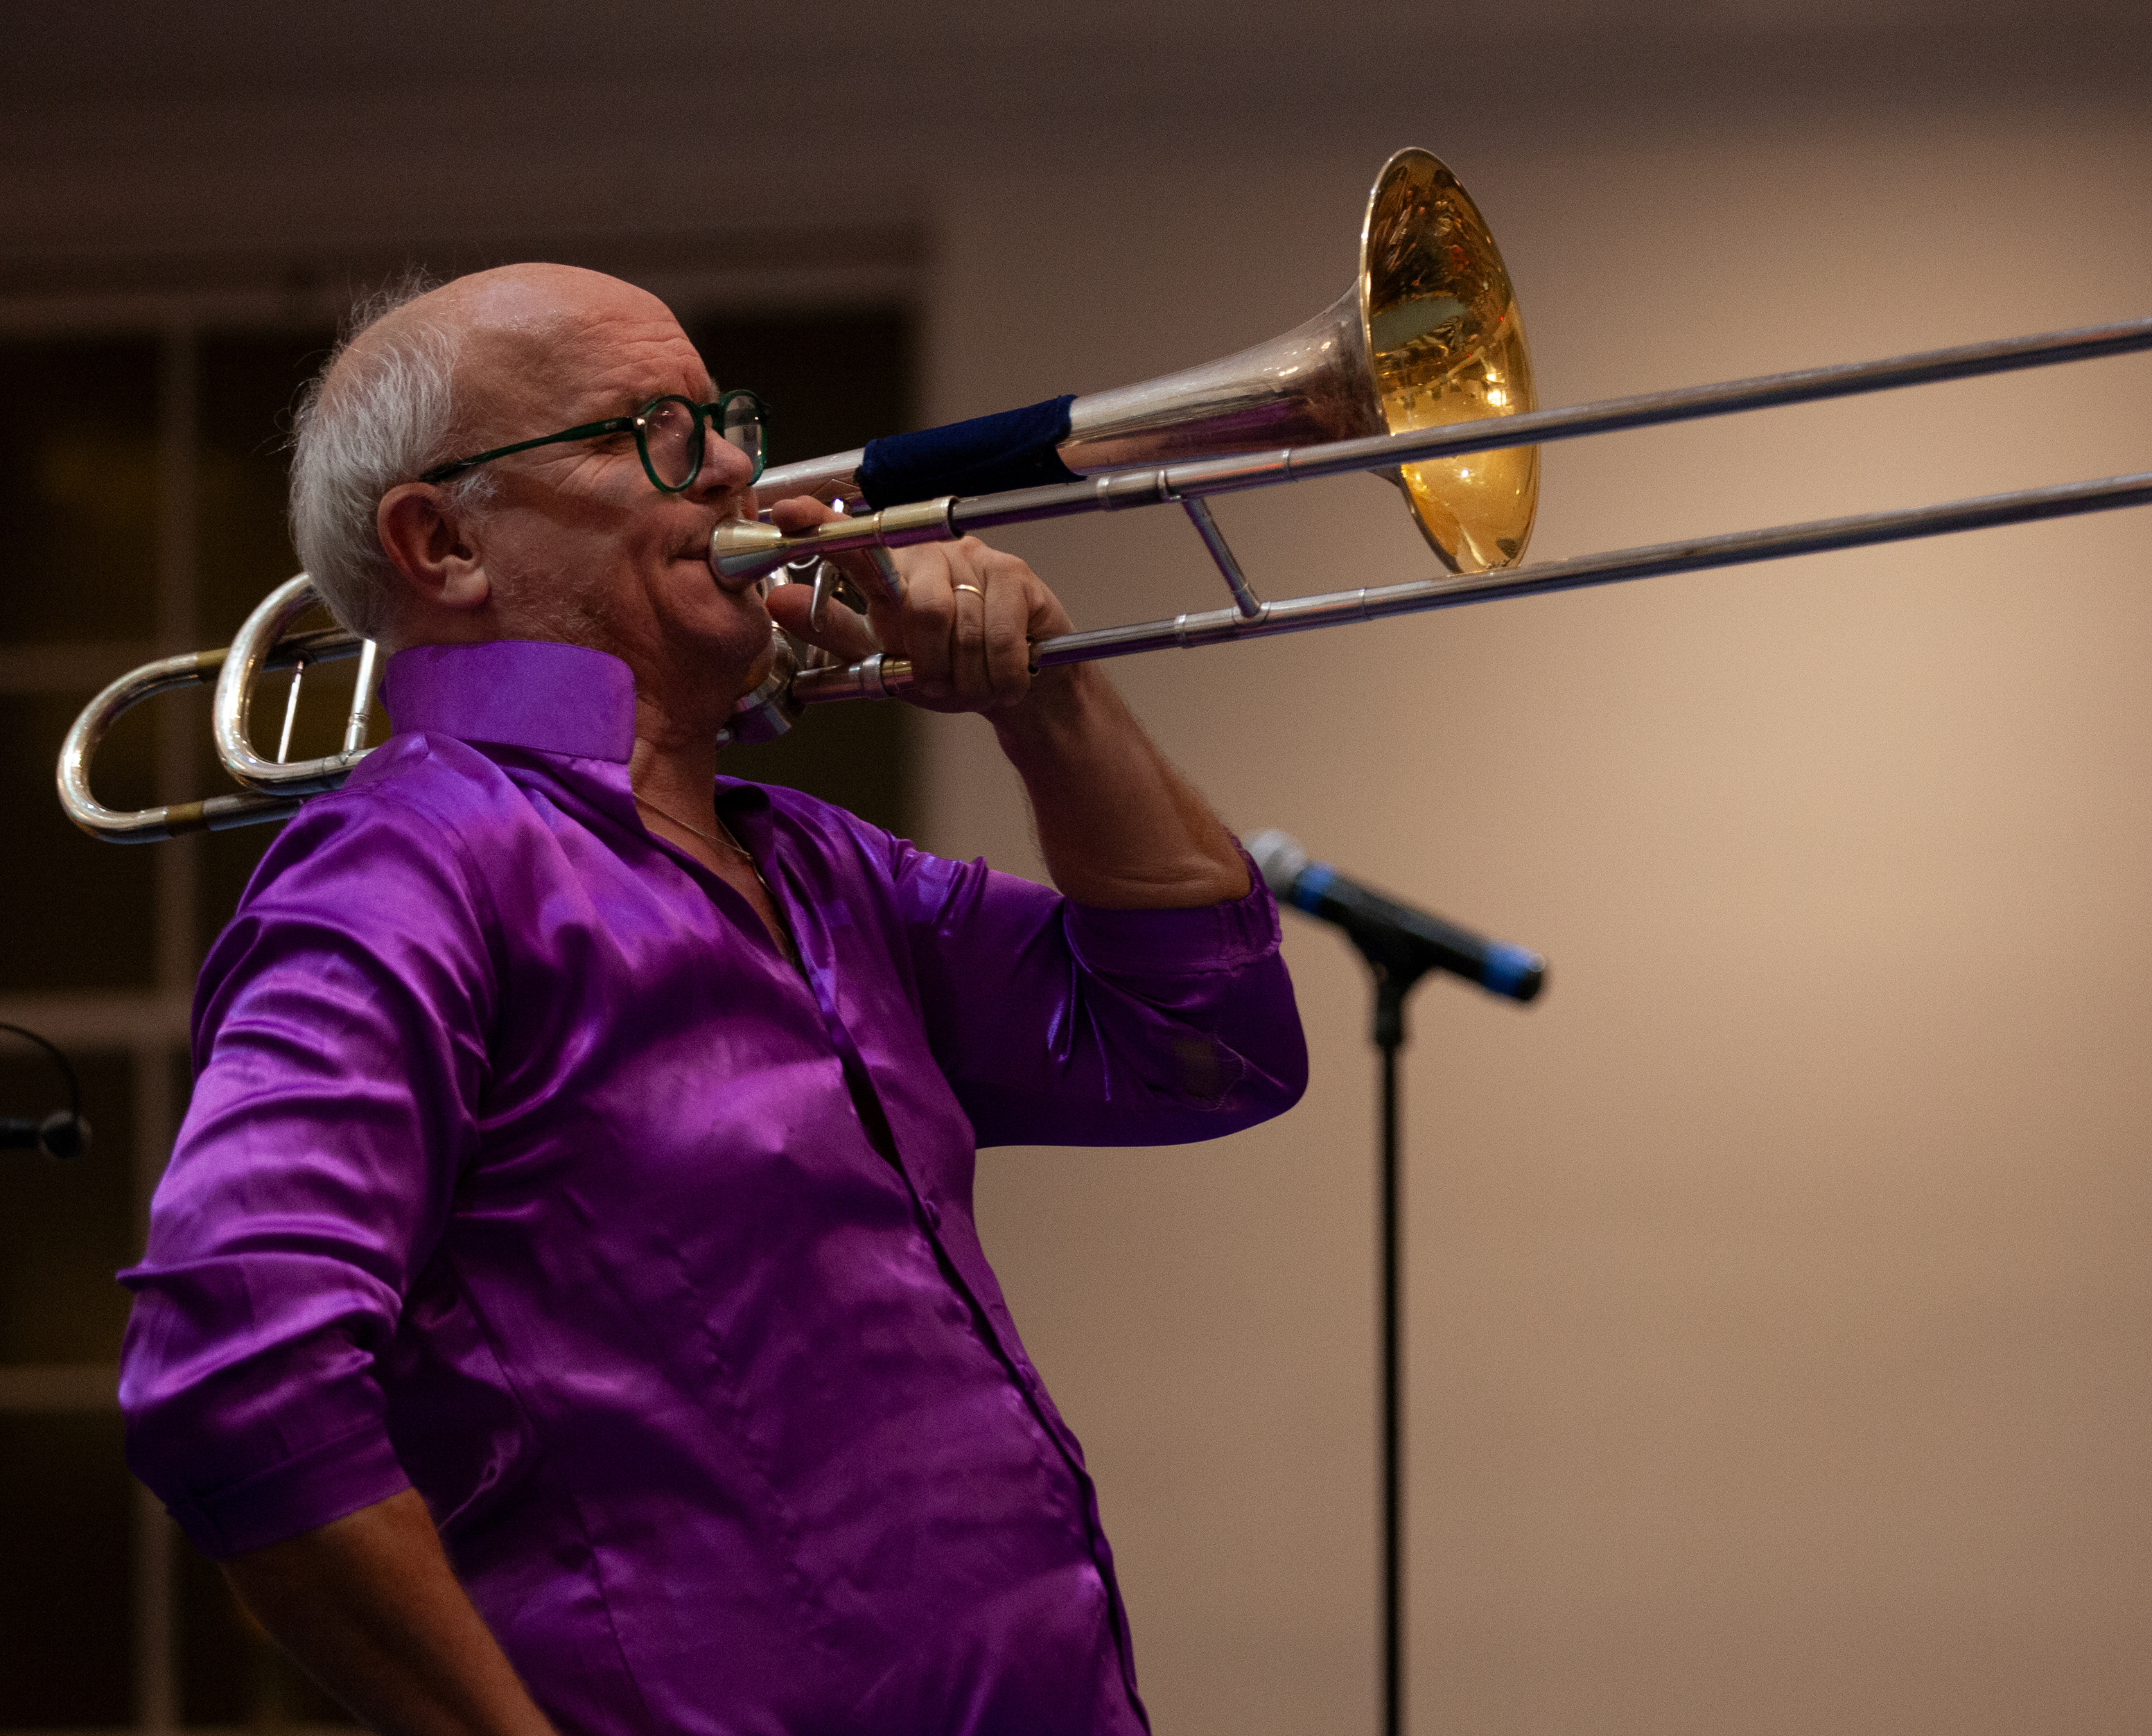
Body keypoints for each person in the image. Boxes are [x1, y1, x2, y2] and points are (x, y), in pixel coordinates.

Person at [116, 264, 1309, 1736]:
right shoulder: (403, 866)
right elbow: (233, 1366)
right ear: (443, 542)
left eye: (721, 418)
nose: (737, 464)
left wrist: (1043, 696)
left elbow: (1205, 1041)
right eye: (649, 430)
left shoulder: (812, 862)